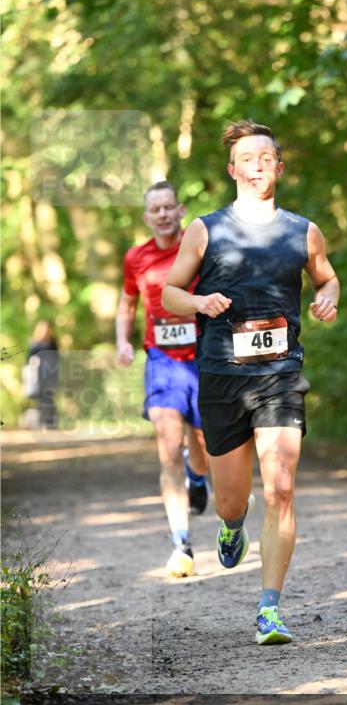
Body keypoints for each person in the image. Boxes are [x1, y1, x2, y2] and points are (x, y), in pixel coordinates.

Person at [162, 120, 339, 645]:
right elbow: (171, 291)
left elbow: (327, 275)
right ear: (233, 169)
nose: (258, 166)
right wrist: (198, 302)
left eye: (268, 158)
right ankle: (231, 525)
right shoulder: (206, 229)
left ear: (279, 168)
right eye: (248, 158)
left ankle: (269, 610)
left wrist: (329, 295)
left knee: (281, 486)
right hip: (221, 378)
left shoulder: (302, 230)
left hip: (281, 374)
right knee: (232, 500)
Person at [116, 180, 210, 579]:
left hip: (204, 358)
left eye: (169, 207)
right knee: (168, 443)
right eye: (155, 209)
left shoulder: (199, 248)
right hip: (162, 360)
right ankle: (181, 541)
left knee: (204, 443)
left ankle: (199, 476)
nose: (163, 214)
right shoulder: (136, 257)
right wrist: (122, 340)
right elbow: (127, 303)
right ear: (146, 216)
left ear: (180, 209)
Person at [23, 320, 59, 428]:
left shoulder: (52, 343)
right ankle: (42, 422)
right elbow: (28, 360)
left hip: (51, 374)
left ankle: (50, 423)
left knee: (49, 397)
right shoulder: (35, 344)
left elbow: (57, 358)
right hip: (38, 375)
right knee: (40, 399)